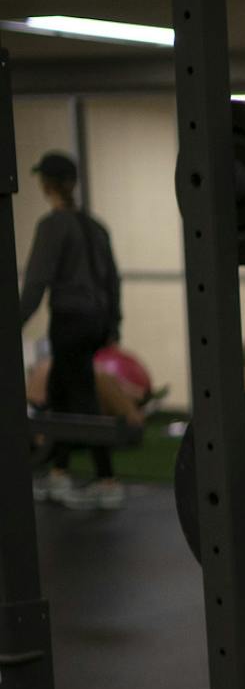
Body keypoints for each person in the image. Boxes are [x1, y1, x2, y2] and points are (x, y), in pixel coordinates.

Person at [19, 151, 124, 510]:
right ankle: (60, 474)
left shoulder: (52, 226)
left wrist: (13, 322)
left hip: (69, 320)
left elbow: (36, 283)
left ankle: (108, 480)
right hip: (95, 322)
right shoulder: (95, 227)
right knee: (61, 391)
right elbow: (113, 280)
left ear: (47, 184)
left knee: (81, 399)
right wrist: (113, 325)